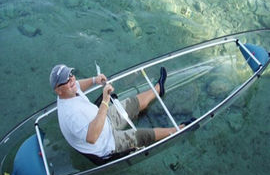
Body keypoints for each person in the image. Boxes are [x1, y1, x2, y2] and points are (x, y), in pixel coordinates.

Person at [50, 64, 195, 162]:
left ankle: (158, 89)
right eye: (66, 81)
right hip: (106, 143)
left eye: (71, 75)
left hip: (102, 119)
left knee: (133, 103)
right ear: (58, 89)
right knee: (144, 135)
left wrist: (94, 80)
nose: (72, 81)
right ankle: (179, 129)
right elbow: (93, 137)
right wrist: (105, 101)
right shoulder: (71, 115)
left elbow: (78, 85)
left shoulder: (69, 90)